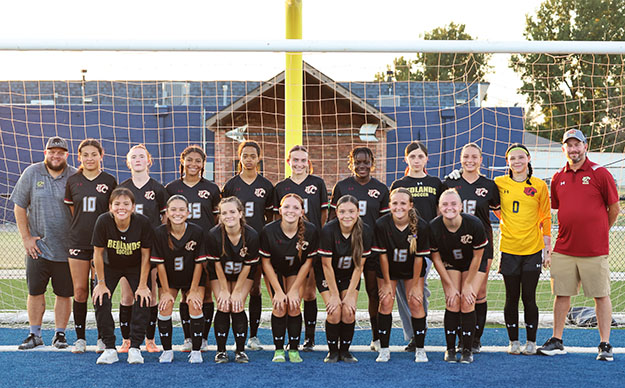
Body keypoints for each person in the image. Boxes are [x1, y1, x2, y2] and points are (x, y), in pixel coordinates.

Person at [538, 129, 619, 361]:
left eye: (577, 145)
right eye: (568, 145)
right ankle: (557, 339)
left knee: (600, 295)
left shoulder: (600, 173)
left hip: (594, 249)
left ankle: (604, 344)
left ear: (585, 146)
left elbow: (614, 209)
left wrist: (600, 230)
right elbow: (559, 208)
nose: (573, 149)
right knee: (561, 295)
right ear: (564, 148)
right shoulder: (557, 177)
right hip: (564, 247)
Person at [11, 136, 77, 350]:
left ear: (66, 155)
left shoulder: (75, 176)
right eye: (52, 151)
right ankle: (34, 334)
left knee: (64, 293)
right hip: (38, 248)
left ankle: (60, 334)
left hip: (66, 248)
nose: (56, 155)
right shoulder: (32, 172)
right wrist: (26, 238)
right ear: (45, 153)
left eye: (60, 152)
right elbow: (19, 206)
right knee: (35, 291)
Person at [329, 146, 389, 351]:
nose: (362, 166)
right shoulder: (341, 186)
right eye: (358, 162)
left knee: (374, 292)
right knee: (342, 290)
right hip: (344, 250)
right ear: (351, 163)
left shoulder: (381, 189)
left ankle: (376, 338)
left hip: (371, 248)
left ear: (372, 162)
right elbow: (332, 219)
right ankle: (336, 339)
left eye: (366, 162)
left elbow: (384, 222)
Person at [495, 143, 551, 355]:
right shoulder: (499, 183)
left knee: (529, 297)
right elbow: (489, 203)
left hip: (532, 249)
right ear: (507, 162)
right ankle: (513, 342)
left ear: (528, 159)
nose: (517, 162)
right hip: (509, 248)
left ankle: (531, 342)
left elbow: (546, 216)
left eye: (521, 157)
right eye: (512, 159)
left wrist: (547, 246)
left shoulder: (539, 185)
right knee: (511, 297)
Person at [444, 143, 500, 352]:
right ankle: (461, 338)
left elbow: (499, 213)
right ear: (460, 159)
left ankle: (475, 339)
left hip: (482, 244)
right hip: (455, 245)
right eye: (466, 156)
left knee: (478, 292)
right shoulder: (450, 182)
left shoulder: (489, 185)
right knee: (458, 293)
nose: (470, 160)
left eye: (474, 157)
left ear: (480, 159)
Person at [64, 138, 117, 353]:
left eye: (93, 154)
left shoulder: (110, 180)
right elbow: (73, 212)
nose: (89, 158)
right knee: (79, 291)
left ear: (101, 156)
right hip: (78, 242)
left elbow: (114, 212)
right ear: (80, 157)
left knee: (100, 290)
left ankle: (102, 337)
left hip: (101, 245)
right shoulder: (73, 181)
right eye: (85, 154)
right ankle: (80, 338)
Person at [390, 141, 444, 351]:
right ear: (406, 159)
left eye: (420, 156)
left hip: (426, 244)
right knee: (402, 290)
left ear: (426, 159)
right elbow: (394, 212)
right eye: (412, 157)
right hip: (402, 244)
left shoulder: (436, 182)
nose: (416, 160)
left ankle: (419, 331)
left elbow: (444, 209)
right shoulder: (399, 184)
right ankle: (412, 333)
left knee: (419, 287)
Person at [273, 145, 328, 351]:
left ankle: (310, 338)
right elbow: (275, 217)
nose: (298, 164)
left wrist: (318, 238)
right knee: (290, 294)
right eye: (294, 160)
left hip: (311, 245)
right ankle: (290, 338)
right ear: (288, 162)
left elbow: (323, 215)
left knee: (309, 294)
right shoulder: (280, 187)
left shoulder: (318, 183)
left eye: (302, 160)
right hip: (287, 246)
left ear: (308, 162)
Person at [166, 145, 220, 352]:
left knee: (204, 294)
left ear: (203, 164)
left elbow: (216, 220)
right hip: (180, 249)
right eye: (190, 160)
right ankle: (188, 338)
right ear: (182, 161)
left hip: (205, 247)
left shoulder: (212, 189)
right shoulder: (171, 188)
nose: (193, 164)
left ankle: (203, 337)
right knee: (185, 294)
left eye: (198, 161)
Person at [91, 187, 154, 364]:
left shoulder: (142, 222)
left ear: (133, 206)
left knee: (143, 298)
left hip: (135, 266)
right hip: (111, 266)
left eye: (126, 204)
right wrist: (101, 282)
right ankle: (109, 347)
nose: (122, 208)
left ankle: (135, 347)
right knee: (100, 297)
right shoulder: (103, 221)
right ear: (110, 206)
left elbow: (146, 255)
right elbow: (97, 253)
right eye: (117, 204)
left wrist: (142, 285)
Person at [222, 140, 274, 351]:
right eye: (245, 155)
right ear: (240, 157)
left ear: (259, 158)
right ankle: (229, 334)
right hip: (233, 242)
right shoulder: (231, 185)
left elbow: (270, 217)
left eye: (253, 155)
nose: (249, 159)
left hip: (257, 243)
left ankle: (252, 335)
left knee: (254, 288)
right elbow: (224, 214)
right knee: (232, 288)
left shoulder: (266, 186)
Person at [118, 144, 168, 353]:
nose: (138, 160)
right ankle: (126, 339)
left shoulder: (157, 188)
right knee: (127, 295)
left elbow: (165, 218)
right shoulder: (122, 188)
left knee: (151, 293)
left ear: (149, 161)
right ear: (128, 162)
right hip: (127, 248)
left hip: (151, 248)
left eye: (141, 156)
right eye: (133, 157)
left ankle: (149, 338)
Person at [429, 189, 488, 364]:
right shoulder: (434, 227)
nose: (450, 207)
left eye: (454, 204)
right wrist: (449, 286)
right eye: (445, 204)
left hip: (473, 264)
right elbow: (436, 259)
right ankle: (450, 349)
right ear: (439, 207)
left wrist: (469, 284)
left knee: (468, 300)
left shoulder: (474, 224)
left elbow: (478, 257)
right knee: (453, 300)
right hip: (451, 264)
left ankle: (467, 350)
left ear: (461, 206)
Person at [373, 188, 430, 363]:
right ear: (390, 205)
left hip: (412, 269)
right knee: (386, 300)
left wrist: (414, 285)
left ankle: (420, 349)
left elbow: (419, 260)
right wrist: (387, 283)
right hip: (388, 269)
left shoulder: (421, 226)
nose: (399, 207)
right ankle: (384, 349)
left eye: (403, 203)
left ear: (410, 205)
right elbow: (382, 257)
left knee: (415, 301)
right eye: (395, 203)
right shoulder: (382, 224)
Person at [261, 194, 318, 363]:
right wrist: (278, 291)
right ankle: (278, 349)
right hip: (275, 270)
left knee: (293, 306)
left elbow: (307, 264)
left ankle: (293, 349)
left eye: (295, 207)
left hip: (297, 270)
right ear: (280, 210)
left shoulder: (311, 230)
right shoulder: (268, 231)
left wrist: (293, 291)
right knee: (279, 307)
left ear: (302, 211)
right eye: (286, 207)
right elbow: (266, 264)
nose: (290, 211)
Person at [151, 195, 207, 364]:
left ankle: (196, 350)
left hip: (193, 277)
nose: (177, 213)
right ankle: (167, 351)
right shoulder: (159, 233)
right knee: (165, 305)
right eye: (173, 209)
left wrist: (195, 289)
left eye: (181, 209)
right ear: (167, 212)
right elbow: (159, 265)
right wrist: (166, 292)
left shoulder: (197, 232)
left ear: (188, 212)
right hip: (170, 278)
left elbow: (199, 263)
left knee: (195, 304)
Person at [318, 195, 372, 363]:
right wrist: (334, 295)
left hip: (349, 275)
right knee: (334, 312)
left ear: (358, 212)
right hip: (328, 275)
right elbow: (326, 266)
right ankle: (333, 351)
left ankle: (345, 351)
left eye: (351, 211)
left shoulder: (365, 231)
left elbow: (359, 267)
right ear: (336, 212)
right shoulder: (328, 230)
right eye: (342, 211)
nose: (346, 215)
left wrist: (349, 295)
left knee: (348, 311)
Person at [206, 197, 260, 364]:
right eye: (224, 213)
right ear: (220, 216)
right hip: (220, 273)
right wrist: (224, 289)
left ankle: (240, 350)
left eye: (232, 212)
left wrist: (236, 292)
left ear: (240, 213)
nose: (228, 216)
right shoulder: (214, 234)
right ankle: (221, 351)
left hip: (243, 274)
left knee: (237, 305)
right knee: (223, 303)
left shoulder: (251, 235)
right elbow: (216, 265)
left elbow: (248, 267)